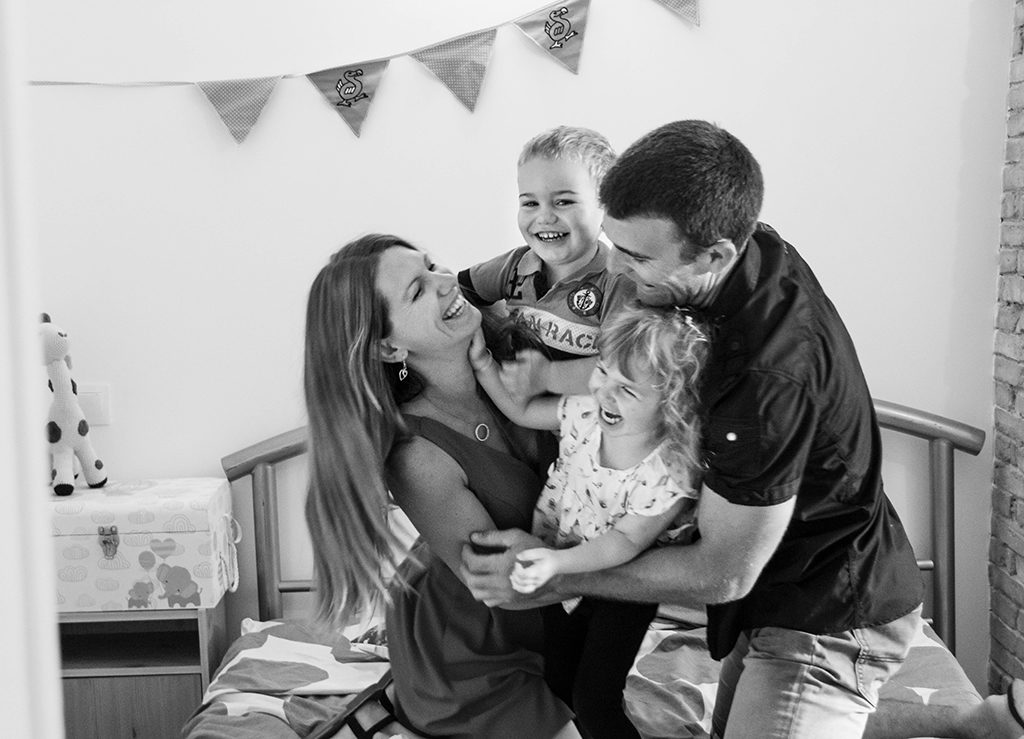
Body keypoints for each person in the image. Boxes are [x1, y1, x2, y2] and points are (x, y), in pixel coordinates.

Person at [460, 119, 944, 739]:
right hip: (770, 596)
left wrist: (554, 572)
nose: (622, 275)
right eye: (616, 246)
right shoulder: (751, 245)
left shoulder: (761, 383)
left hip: (829, 614)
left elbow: (723, 571)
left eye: (638, 259)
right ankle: (968, 727)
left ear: (715, 253)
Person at [303, 234, 581, 739]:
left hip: (557, 620)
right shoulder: (415, 457)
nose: (445, 281)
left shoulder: (521, 360)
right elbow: (502, 586)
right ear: (389, 346)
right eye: (417, 290)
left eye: (432, 266)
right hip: (473, 646)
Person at [470, 302, 708, 739]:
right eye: (604, 374)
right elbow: (521, 412)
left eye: (629, 390)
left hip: (622, 585)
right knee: (558, 679)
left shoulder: (667, 471)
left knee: (594, 696)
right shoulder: (586, 413)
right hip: (558, 557)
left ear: (674, 404)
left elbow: (623, 544)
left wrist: (556, 565)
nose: (606, 394)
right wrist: (485, 365)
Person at [458, 125, 635, 393]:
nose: (545, 217)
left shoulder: (617, 282)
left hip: (582, 422)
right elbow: (456, 293)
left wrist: (548, 376)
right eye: (530, 204)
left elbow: (623, 366)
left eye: (563, 202)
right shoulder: (515, 266)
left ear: (605, 209)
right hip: (516, 408)